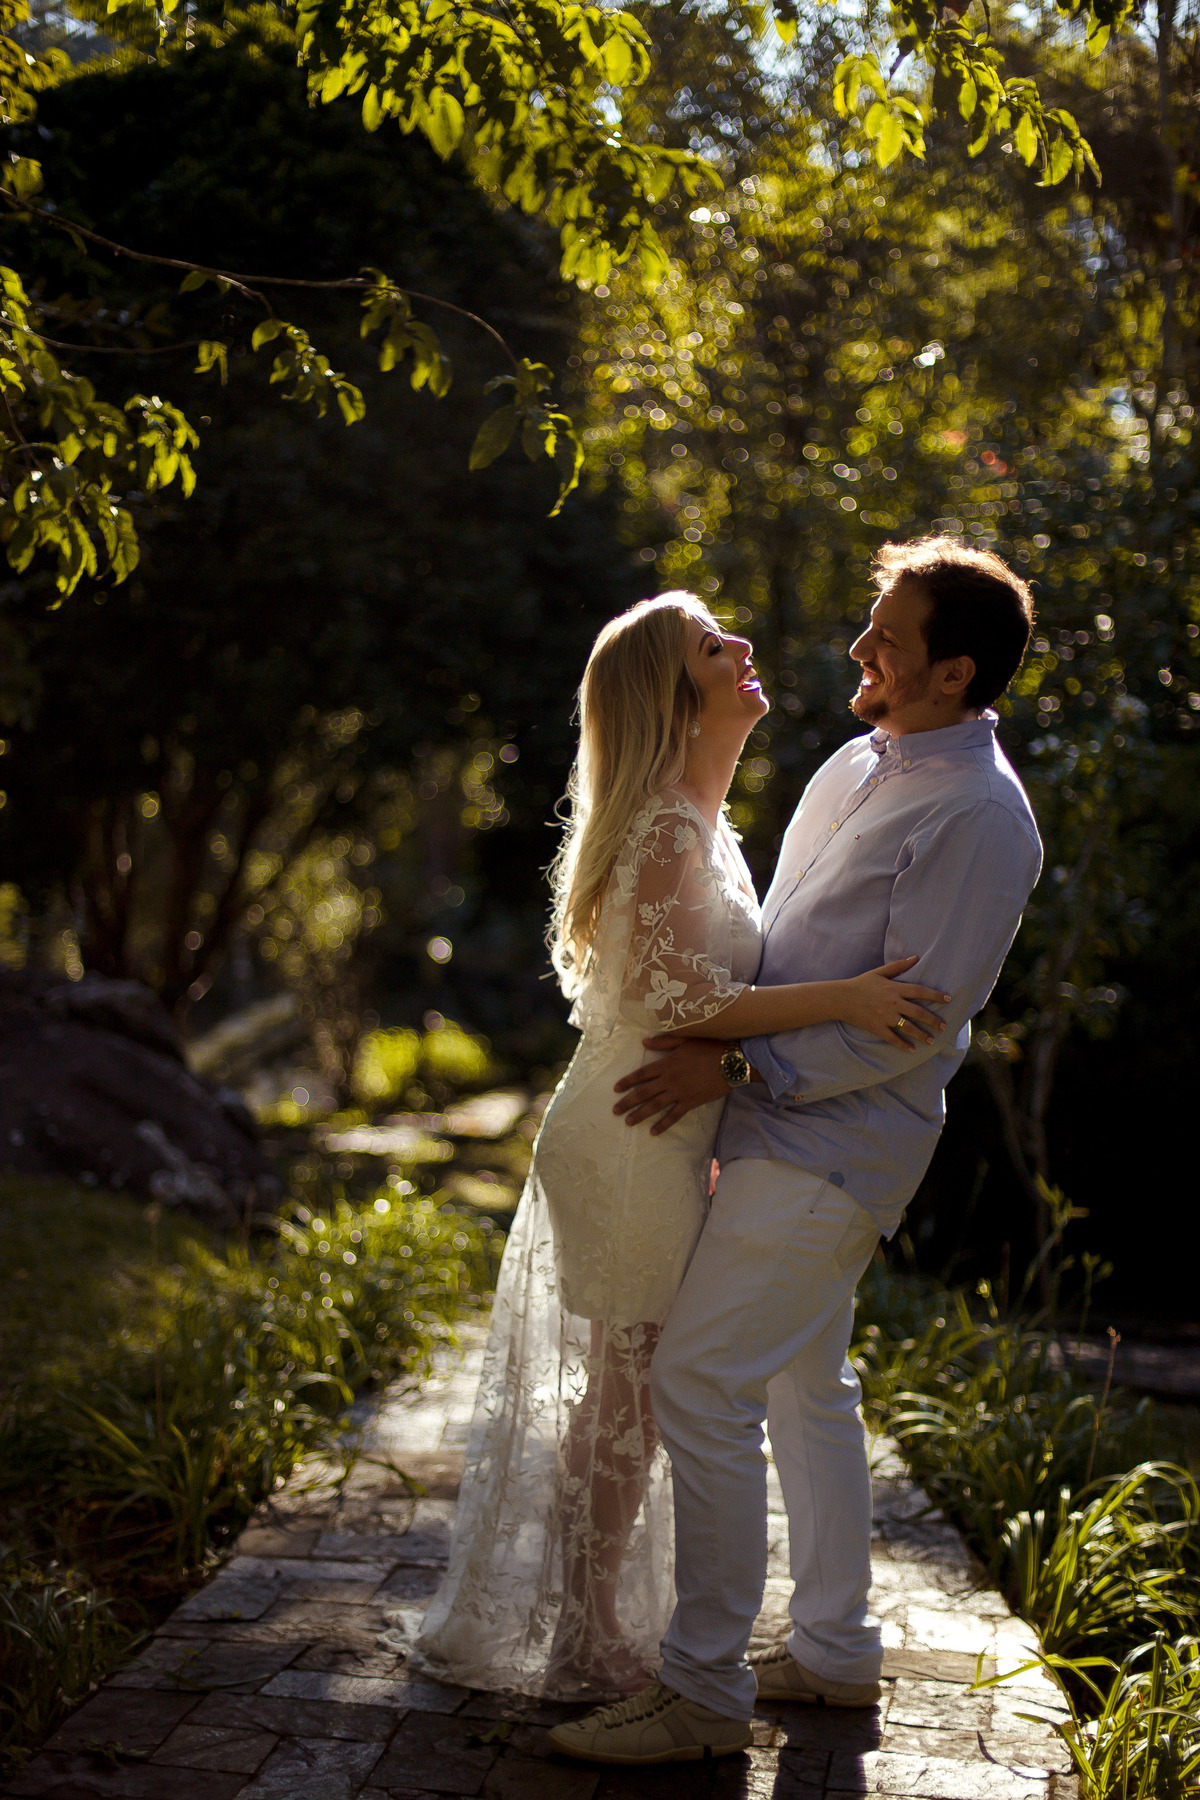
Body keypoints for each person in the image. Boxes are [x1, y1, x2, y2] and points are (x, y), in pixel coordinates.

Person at [548, 537, 1044, 1764]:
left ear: (953, 673)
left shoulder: (981, 817)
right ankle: (830, 1651)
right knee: (802, 1386)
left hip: (835, 1142)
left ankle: (702, 1692)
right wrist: (727, 1071)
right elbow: (774, 957)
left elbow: (909, 1023)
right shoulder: (850, 765)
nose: (860, 645)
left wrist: (733, 1065)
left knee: (697, 1382)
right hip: (753, 1124)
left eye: (888, 634)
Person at [409, 592, 948, 1702]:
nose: (745, 647)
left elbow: (697, 993)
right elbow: (671, 994)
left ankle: (594, 1617)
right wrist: (839, 999)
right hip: (629, 1129)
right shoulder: (662, 823)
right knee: (631, 1395)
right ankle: (585, 1630)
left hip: (665, 1124)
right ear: (672, 693)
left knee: (637, 1391)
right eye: (714, 646)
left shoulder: (706, 824)